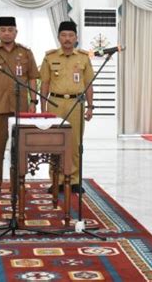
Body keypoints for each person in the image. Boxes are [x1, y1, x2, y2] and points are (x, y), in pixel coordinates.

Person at [0, 17, 39, 195]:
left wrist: (33, 102)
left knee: (20, 148)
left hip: (21, 109)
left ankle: (18, 182)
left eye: (10, 29)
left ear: (16, 32)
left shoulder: (26, 53)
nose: (6, 33)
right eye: (3, 29)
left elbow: (33, 78)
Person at [39, 21, 94, 194]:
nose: (67, 39)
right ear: (59, 37)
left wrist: (90, 106)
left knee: (75, 142)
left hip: (76, 103)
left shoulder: (83, 58)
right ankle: (57, 180)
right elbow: (45, 84)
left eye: (71, 35)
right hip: (55, 104)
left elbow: (89, 84)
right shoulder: (50, 57)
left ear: (76, 37)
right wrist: (43, 109)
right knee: (55, 143)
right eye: (64, 35)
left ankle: (75, 180)